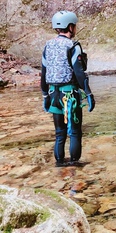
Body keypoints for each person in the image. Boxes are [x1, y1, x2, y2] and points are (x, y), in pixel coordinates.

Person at [41, 11, 95, 167]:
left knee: (60, 134)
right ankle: (74, 165)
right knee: (75, 132)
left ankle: (59, 165)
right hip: (69, 95)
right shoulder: (73, 46)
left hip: (54, 95)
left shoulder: (48, 46)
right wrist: (89, 93)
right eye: (75, 25)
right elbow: (79, 72)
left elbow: (44, 73)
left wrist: (45, 95)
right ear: (70, 26)